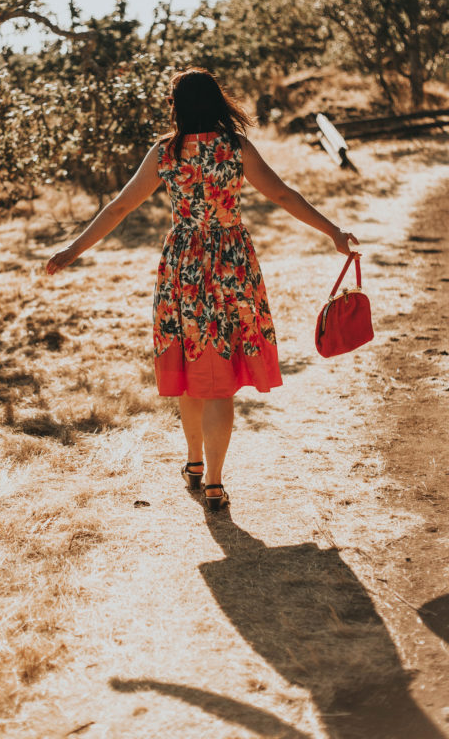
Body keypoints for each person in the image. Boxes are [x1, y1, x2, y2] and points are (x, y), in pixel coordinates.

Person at [45, 67, 359, 511]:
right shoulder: (236, 149)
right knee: (220, 380)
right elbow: (285, 196)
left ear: (175, 106)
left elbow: (118, 208)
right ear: (217, 103)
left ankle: (195, 464)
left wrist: (72, 250)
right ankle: (212, 481)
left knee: (194, 369)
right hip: (233, 265)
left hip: (184, 268)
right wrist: (333, 231)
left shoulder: (166, 153)